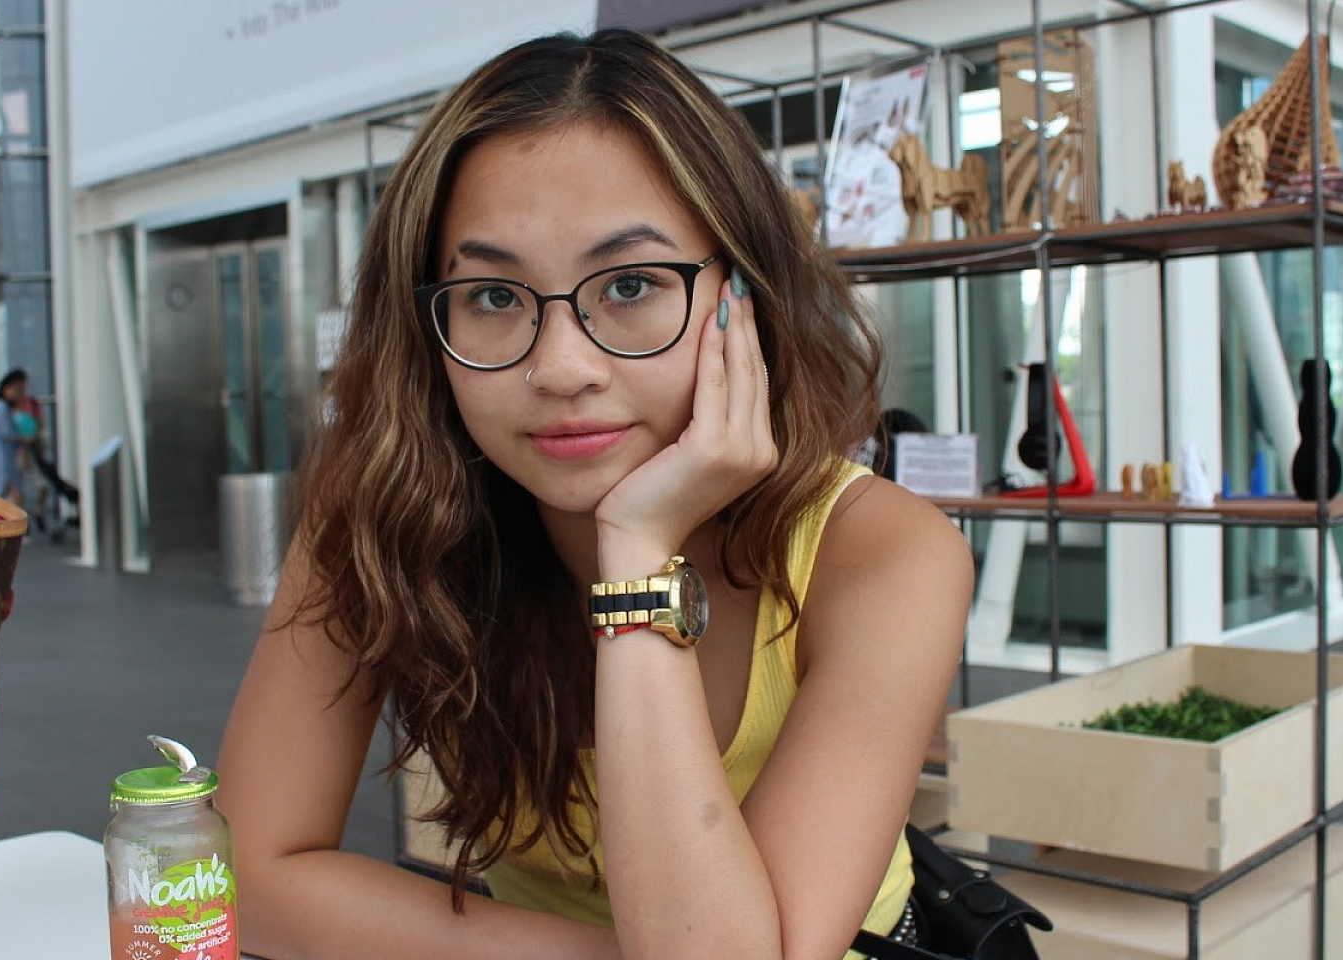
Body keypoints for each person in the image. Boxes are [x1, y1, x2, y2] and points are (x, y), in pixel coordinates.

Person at [216, 30, 973, 960]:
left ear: (745, 298)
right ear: (429, 323)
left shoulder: (882, 551)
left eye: (630, 285)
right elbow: (244, 872)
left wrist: (639, 552)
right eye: (494, 298)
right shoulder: (379, 514)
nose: (562, 367)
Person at [0, 369, 30, 505]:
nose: (20, 393)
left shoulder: (0, 407)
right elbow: (7, 433)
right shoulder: (2, 407)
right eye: (17, 389)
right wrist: (24, 439)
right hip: (1, 460)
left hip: (1, 459)